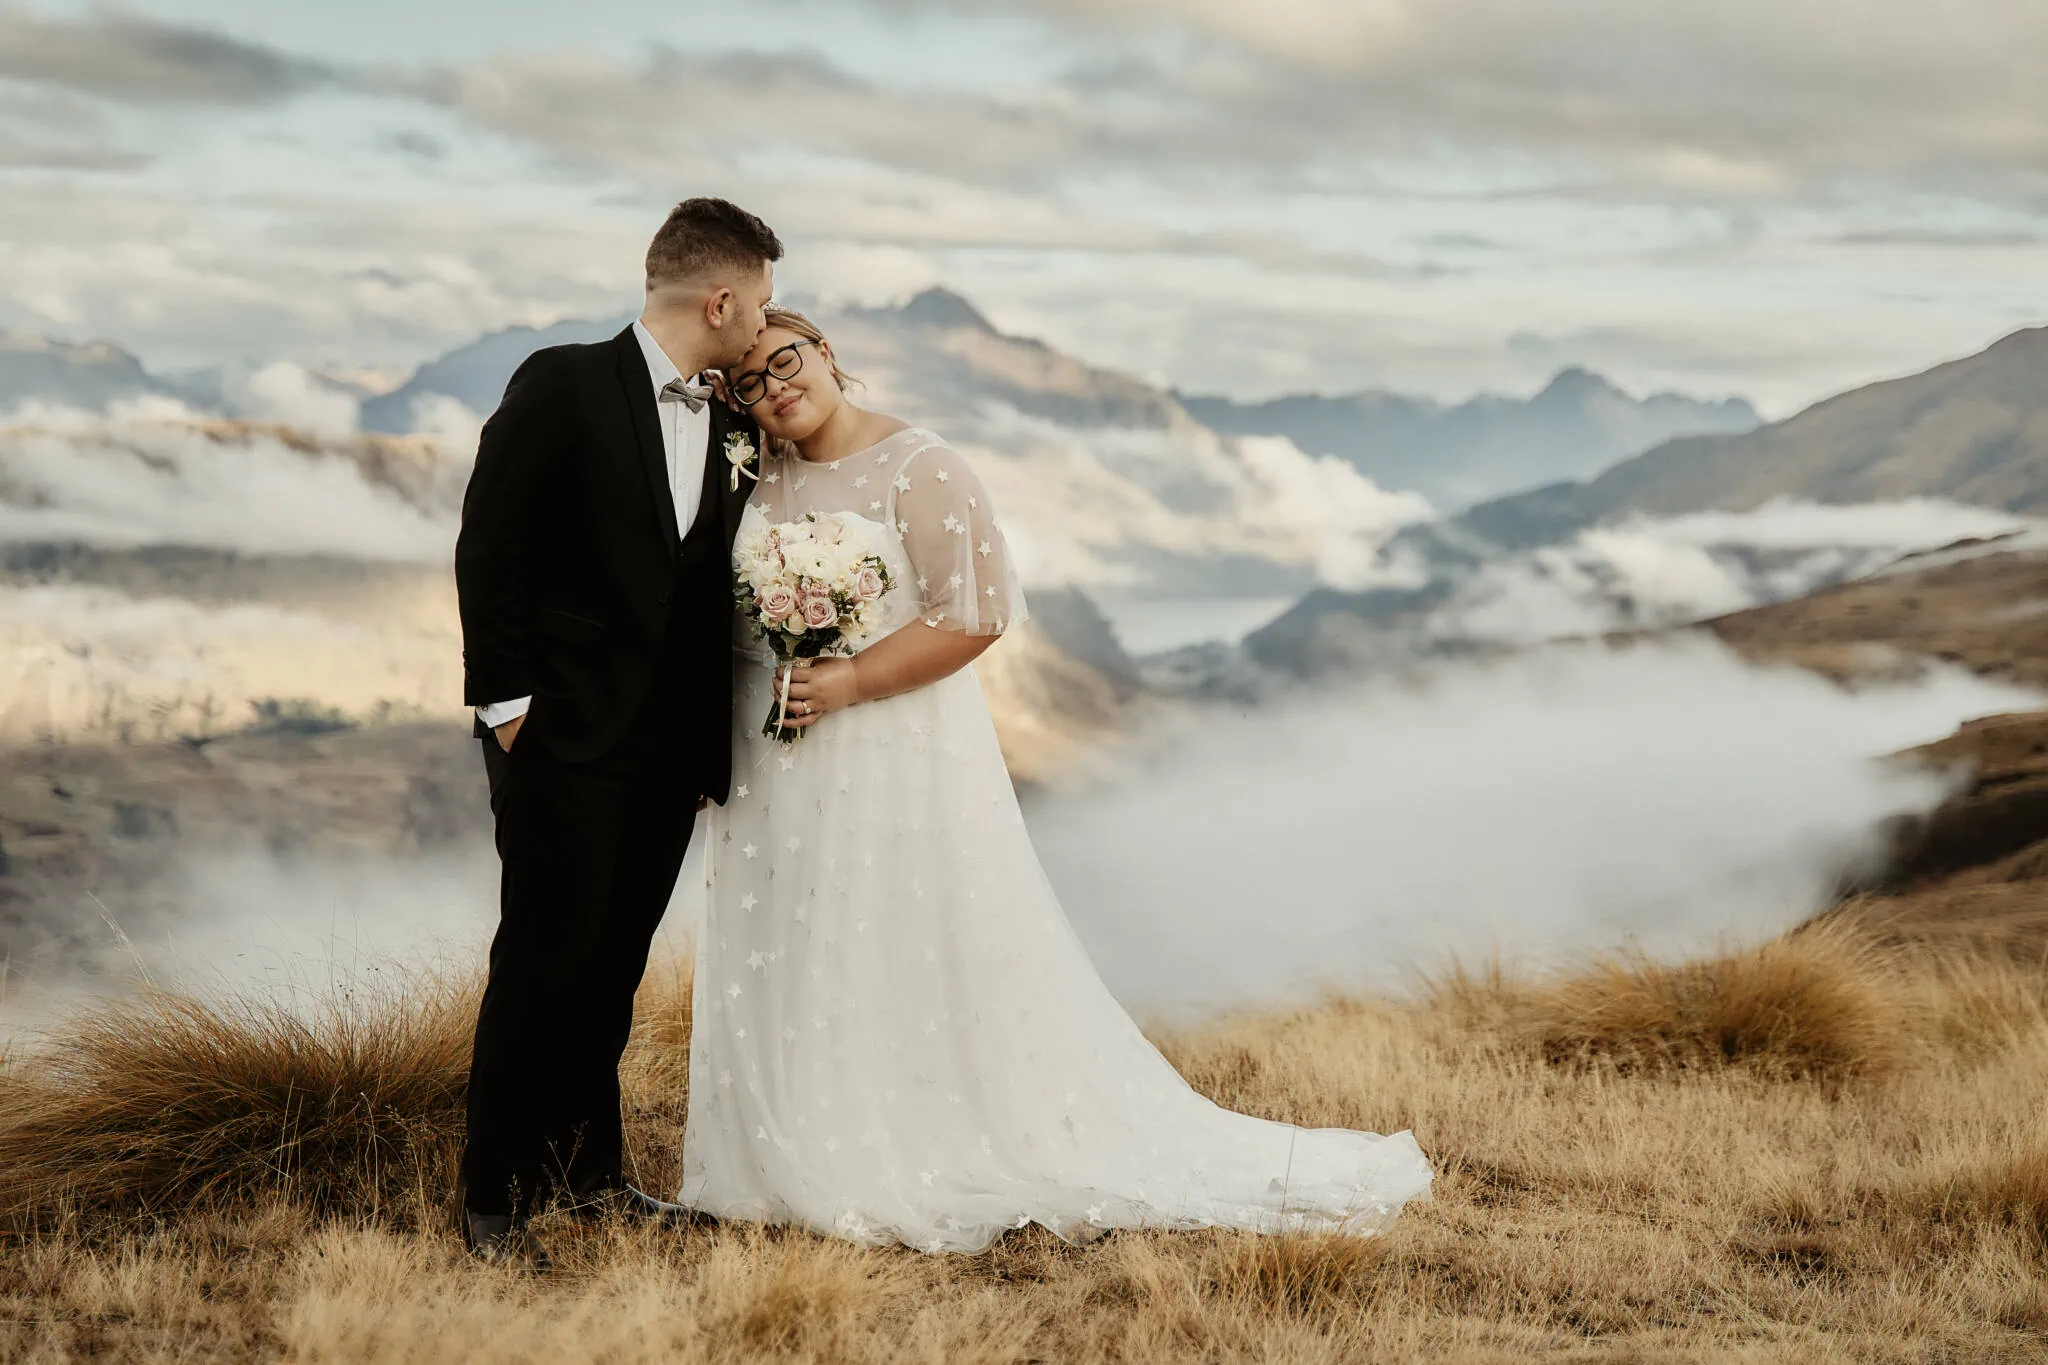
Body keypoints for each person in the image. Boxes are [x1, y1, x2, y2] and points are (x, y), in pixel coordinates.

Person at [678, 306, 1432, 1252]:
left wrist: (852, 679)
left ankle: (891, 1141)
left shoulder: (922, 466)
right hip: (773, 760)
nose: (775, 388)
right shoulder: (753, 471)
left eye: (786, 361)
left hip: (883, 751)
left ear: (825, 352)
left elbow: (977, 614)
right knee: (793, 932)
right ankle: (785, 1145)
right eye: (748, 381)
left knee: (880, 929)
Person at [451, 197, 780, 1267]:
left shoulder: (731, 423)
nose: (763, 320)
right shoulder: (563, 382)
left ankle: (588, 1177)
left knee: (612, 971)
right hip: (559, 740)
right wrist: (507, 710)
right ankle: (493, 1202)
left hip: (669, 754)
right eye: (759, 302)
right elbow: (490, 546)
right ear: (719, 301)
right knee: (542, 964)